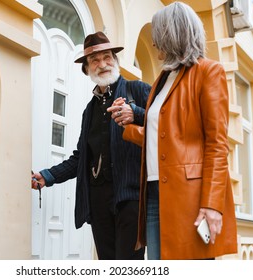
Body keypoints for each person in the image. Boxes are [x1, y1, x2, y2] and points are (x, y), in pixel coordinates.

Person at [108, 2, 237, 259]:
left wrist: (212, 204)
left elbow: (216, 143)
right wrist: (129, 127)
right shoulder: (162, 80)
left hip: (189, 197)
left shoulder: (209, 72)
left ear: (171, 34)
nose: (154, 44)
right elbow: (168, 138)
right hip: (154, 192)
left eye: (157, 36)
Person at [31, 31, 151, 260]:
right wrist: (48, 176)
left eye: (107, 57)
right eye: (94, 60)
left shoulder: (138, 90)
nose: (102, 64)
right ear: (87, 69)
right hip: (98, 199)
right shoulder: (89, 110)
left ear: (115, 61)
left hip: (131, 196)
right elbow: (81, 157)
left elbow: (166, 125)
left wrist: (135, 113)